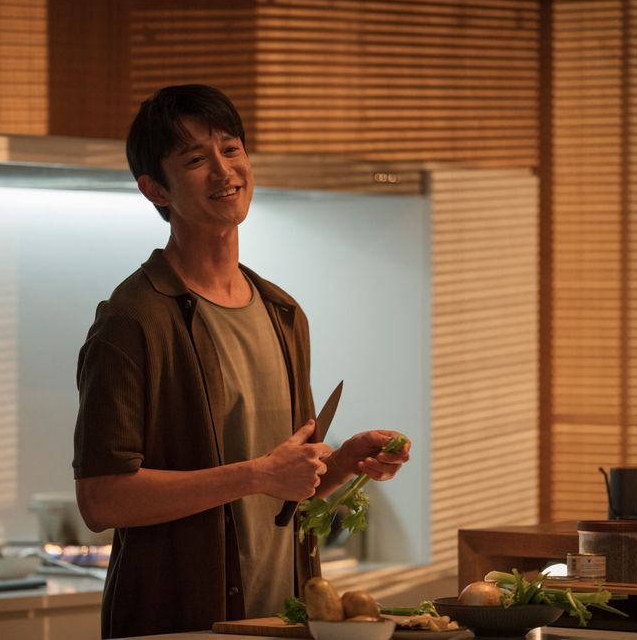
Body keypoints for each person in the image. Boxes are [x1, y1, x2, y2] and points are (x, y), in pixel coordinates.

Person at [72, 84, 410, 639]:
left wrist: (345, 460)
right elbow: (102, 499)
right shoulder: (133, 320)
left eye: (231, 149)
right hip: (179, 624)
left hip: (284, 620)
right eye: (195, 159)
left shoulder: (282, 312)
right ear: (155, 188)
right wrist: (257, 474)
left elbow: (284, 487)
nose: (224, 170)